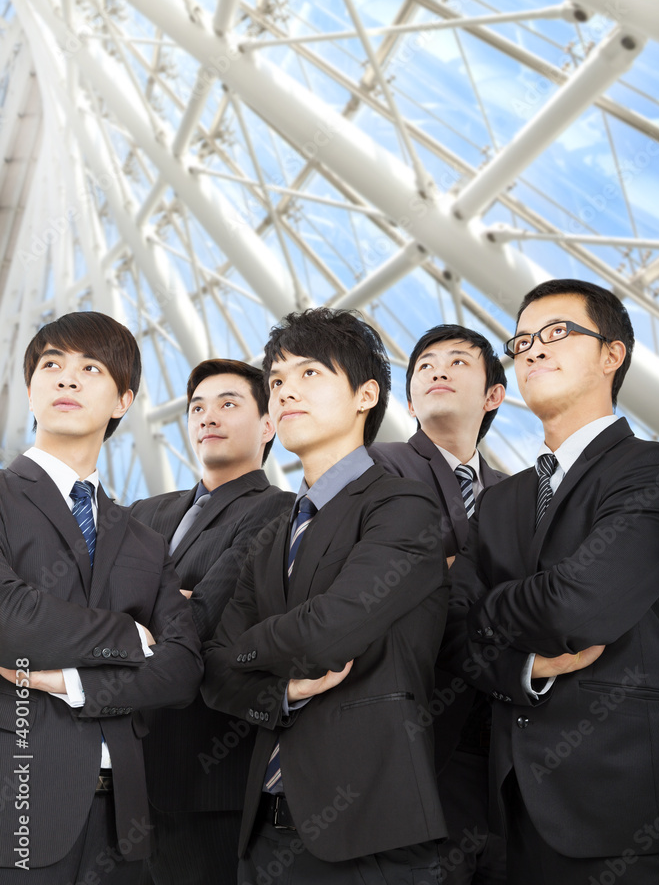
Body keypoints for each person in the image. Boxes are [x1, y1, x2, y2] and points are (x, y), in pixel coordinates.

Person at [202, 308, 448, 884]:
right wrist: (280, 690)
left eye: (309, 373)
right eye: (277, 381)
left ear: (366, 395)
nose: (285, 392)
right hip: (262, 838)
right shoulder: (272, 535)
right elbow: (212, 672)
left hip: (371, 837)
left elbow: (327, 632)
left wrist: (244, 649)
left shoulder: (403, 507)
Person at [443, 278, 659, 884]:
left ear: (613, 354)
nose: (533, 349)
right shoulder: (498, 502)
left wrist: (485, 608)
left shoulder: (653, 470)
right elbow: (453, 636)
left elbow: (579, 605)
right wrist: (527, 665)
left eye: (557, 332)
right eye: (522, 341)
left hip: (628, 812)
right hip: (510, 816)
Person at [0, 311, 202, 883]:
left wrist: (73, 682)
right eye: (51, 365)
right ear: (31, 389)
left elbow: (184, 667)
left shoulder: (142, 538)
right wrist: (129, 636)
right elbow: (8, 619)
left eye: (91, 368)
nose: (67, 378)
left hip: (123, 823)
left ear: (123, 401)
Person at [131, 359, 294, 885]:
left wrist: (135, 607)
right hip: (122, 773)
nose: (208, 416)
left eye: (228, 404)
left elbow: (202, 620)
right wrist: (169, 600)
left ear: (268, 425)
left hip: (205, 777)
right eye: (197, 407)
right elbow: (86, 602)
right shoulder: (144, 512)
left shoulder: (280, 509)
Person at [370, 324, 507, 884]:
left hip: (503, 737)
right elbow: (377, 577)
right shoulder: (375, 466)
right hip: (417, 726)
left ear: (494, 395)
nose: (437, 371)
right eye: (424, 365)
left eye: (457, 362)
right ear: (409, 402)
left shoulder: (519, 491)